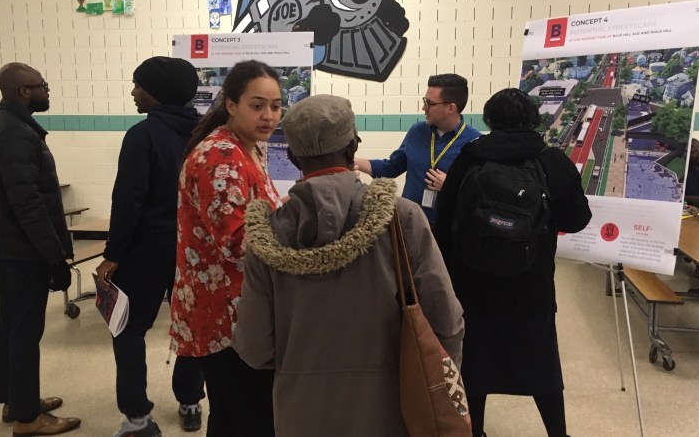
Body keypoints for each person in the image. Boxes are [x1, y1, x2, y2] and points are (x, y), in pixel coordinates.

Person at [232, 95, 465, 436]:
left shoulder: (267, 235)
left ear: (294, 156)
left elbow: (254, 347)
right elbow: (447, 321)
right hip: (395, 407)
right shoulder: (402, 218)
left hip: (301, 413)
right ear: (353, 145)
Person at [434, 88, 592, 437]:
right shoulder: (551, 161)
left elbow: (444, 222)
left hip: (473, 286)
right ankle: (558, 433)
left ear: (490, 119)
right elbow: (577, 220)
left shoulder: (470, 157)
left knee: (475, 367)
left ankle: (475, 432)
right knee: (542, 366)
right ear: (532, 119)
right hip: (530, 286)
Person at [0, 63, 81, 436]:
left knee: (13, 325)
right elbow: (27, 203)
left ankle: (17, 401)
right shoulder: (15, 132)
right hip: (22, 248)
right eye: (42, 86)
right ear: (22, 91)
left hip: (8, 245)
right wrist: (54, 256)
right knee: (25, 330)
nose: (48, 91)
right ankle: (28, 419)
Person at [170, 60, 281, 436]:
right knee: (246, 415)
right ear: (231, 104)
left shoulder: (246, 147)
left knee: (235, 413)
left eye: (276, 106)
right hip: (225, 314)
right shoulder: (222, 157)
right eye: (257, 105)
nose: (268, 115)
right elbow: (239, 243)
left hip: (237, 306)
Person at [94, 57, 201, 437]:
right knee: (191, 326)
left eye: (138, 85)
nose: (133, 92)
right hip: (194, 250)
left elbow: (128, 201)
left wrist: (113, 254)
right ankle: (190, 401)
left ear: (155, 92)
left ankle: (138, 419)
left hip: (148, 250)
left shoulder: (142, 135)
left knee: (129, 328)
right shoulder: (206, 134)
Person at [354, 73, 481, 225]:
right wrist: (352, 161)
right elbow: (391, 168)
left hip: (446, 231)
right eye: (424, 101)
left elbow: (479, 194)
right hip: (409, 225)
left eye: (429, 103)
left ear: (451, 108)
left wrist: (452, 185)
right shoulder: (417, 131)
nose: (423, 107)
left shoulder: (474, 142)